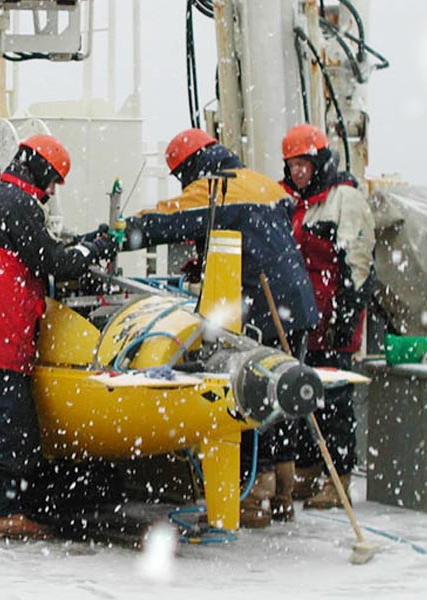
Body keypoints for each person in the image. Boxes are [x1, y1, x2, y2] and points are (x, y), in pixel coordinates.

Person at [112, 128, 319, 528]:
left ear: (191, 165)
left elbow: (166, 220)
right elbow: (257, 234)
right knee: (284, 396)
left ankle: (251, 499)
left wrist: (112, 235)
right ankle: (282, 493)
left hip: (261, 308)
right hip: (296, 304)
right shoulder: (260, 183)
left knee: (248, 398)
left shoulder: (217, 187)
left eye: (182, 174)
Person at [0, 134, 116, 540]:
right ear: (39, 169)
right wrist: (94, 248)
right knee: (11, 428)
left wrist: (79, 246)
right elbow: (52, 262)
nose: (52, 189)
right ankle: (6, 513)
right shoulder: (19, 205)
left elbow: (32, 251)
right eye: (53, 179)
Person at [279, 123, 376, 510]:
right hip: (298, 321)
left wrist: (345, 318)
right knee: (297, 399)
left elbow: (358, 262)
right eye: (292, 164)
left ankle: (337, 478)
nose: (298, 171)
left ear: (318, 161)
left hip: (333, 322)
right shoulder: (286, 200)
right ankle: (304, 473)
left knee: (334, 402)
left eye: (304, 163)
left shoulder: (343, 200)